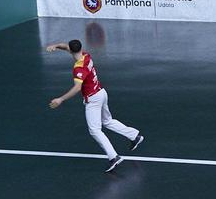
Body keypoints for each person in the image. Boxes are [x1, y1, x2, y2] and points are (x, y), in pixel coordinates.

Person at [45, 38, 144, 171]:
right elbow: (66, 46)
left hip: (93, 99)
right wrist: (55, 46)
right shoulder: (85, 55)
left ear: (71, 50)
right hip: (101, 93)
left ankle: (113, 157)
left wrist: (61, 99)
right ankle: (134, 136)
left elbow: (77, 88)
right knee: (107, 121)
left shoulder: (79, 68)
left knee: (95, 130)